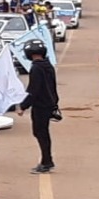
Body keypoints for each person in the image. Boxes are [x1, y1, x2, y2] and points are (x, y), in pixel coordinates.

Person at [16, 39, 60, 174]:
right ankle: (47, 160)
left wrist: (23, 106)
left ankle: (46, 162)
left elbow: (33, 90)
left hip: (41, 106)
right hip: (49, 103)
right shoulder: (48, 65)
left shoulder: (36, 68)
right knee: (42, 133)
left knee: (40, 133)